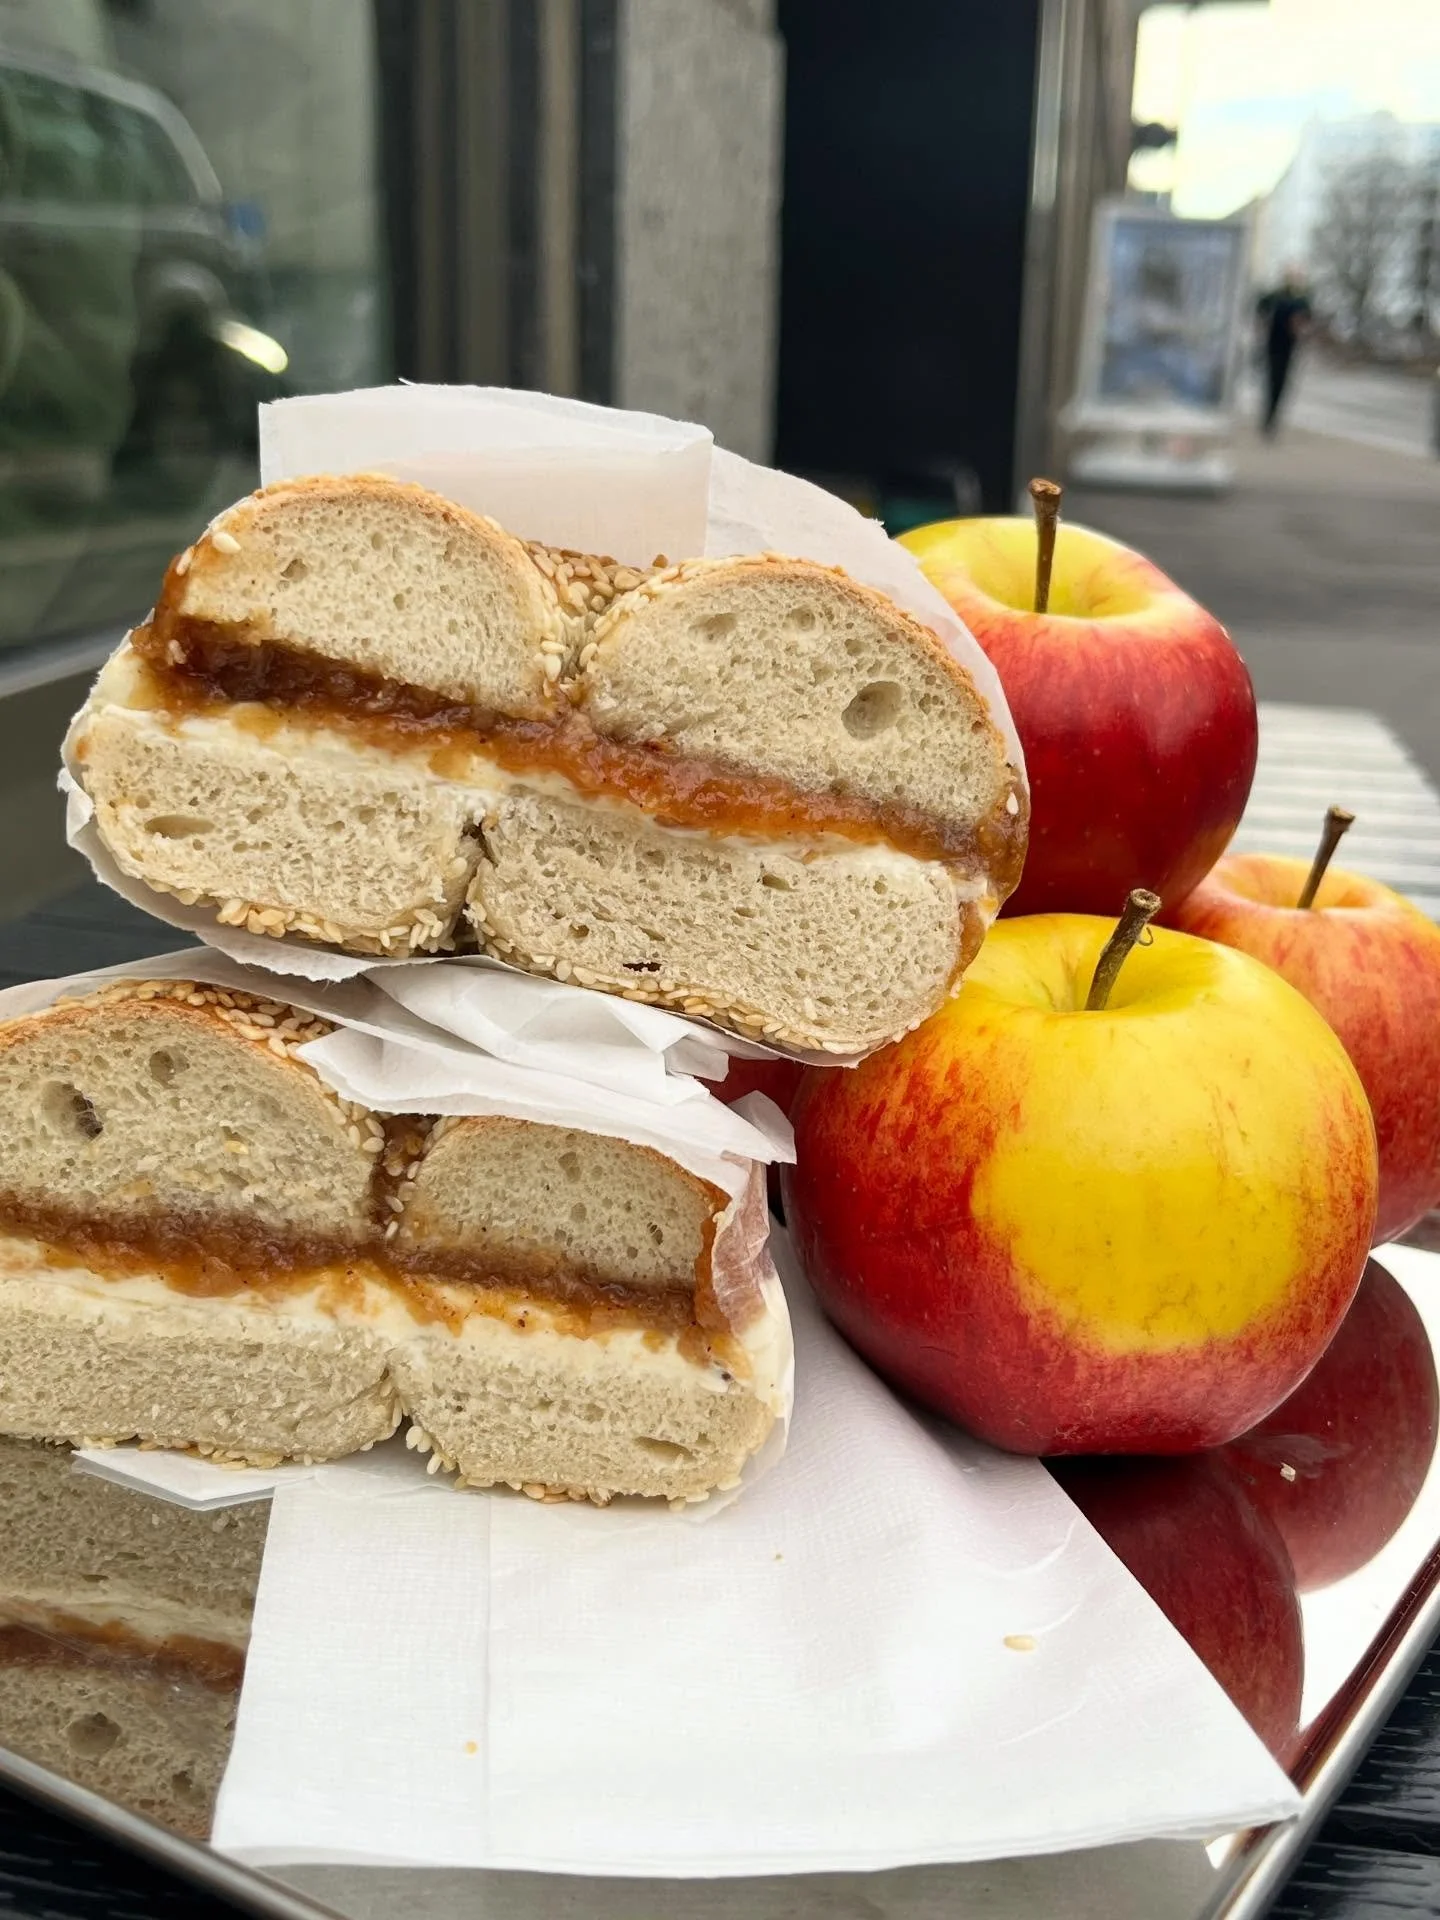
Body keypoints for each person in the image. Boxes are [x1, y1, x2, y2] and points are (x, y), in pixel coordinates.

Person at [1255, 269, 1313, 436]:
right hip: (1272, 345)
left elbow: (1307, 322)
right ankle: (1267, 418)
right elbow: (1260, 310)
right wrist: (1262, 326)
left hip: (1289, 348)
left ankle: (1272, 420)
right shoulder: (1275, 297)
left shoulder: (1302, 301)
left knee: (1281, 385)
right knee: (1270, 382)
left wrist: (1301, 328)